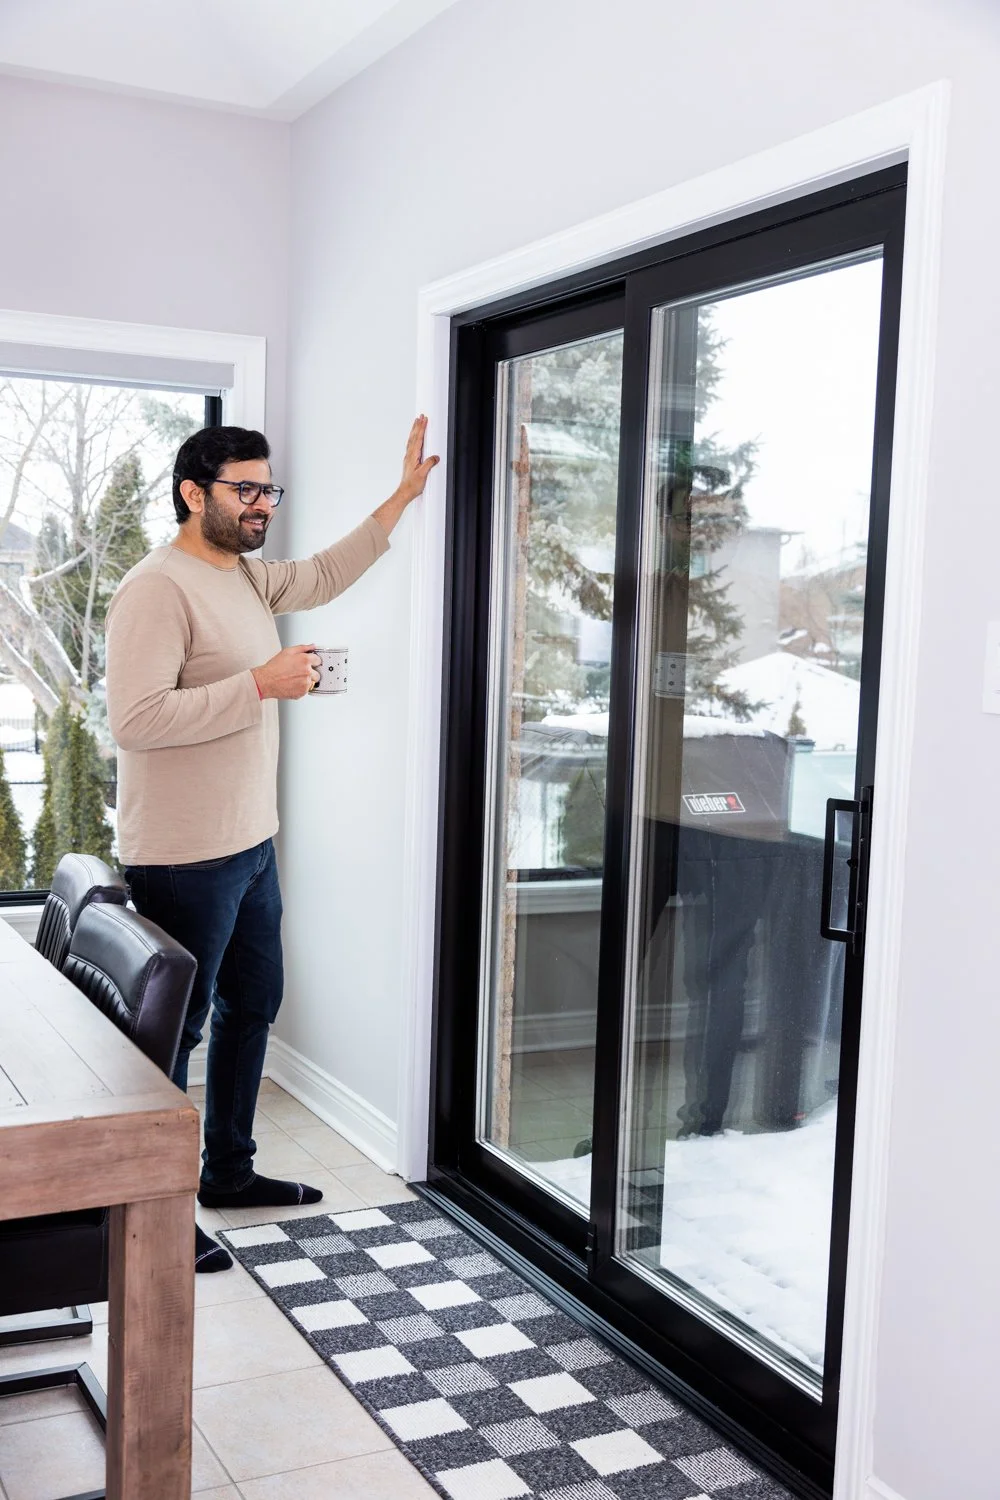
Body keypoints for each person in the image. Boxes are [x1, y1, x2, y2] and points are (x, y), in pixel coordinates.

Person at [105, 418, 438, 1271]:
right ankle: (157, 1217)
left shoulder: (247, 579)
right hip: (183, 855)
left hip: (251, 843)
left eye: (267, 490)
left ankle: (230, 1175)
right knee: (173, 1040)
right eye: (244, 490)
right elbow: (136, 724)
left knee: (251, 1007)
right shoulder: (156, 588)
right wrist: (257, 684)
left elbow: (323, 573)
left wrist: (400, 500)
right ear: (193, 493)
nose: (261, 506)